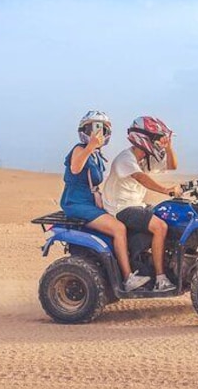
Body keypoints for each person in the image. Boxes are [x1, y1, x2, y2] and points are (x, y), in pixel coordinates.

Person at [60, 110, 150, 292]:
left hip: (92, 203)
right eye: (92, 128)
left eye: (102, 129)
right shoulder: (80, 149)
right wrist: (90, 146)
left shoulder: (96, 155)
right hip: (78, 203)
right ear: (83, 129)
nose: (97, 133)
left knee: (125, 224)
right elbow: (76, 168)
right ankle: (127, 278)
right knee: (118, 228)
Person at [103, 116, 182, 292]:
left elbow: (172, 165)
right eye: (155, 139)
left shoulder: (145, 158)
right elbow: (141, 178)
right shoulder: (126, 158)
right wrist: (166, 190)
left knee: (170, 219)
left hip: (137, 205)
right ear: (143, 138)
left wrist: (169, 147)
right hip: (121, 208)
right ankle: (161, 280)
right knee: (160, 227)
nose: (158, 143)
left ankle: (157, 266)